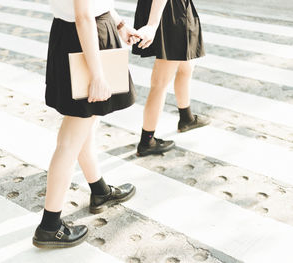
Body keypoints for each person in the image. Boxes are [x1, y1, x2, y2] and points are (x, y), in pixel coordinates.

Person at [32, 0, 140, 248]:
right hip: (85, 38)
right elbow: (82, 15)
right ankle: (50, 226)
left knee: (84, 126)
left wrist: (120, 24)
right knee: (71, 139)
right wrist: (97, 75)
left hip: (73, 34)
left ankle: (99, 190)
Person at [132, 0, 210, 157]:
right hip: (170, 11)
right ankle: (147, 140)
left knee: (187, 64)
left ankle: (186, 117)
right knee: (160, 82)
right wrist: (153, 24)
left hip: (170, 9)